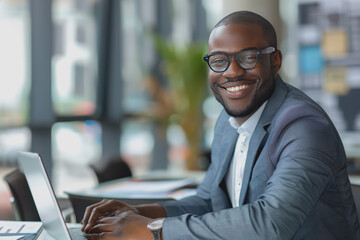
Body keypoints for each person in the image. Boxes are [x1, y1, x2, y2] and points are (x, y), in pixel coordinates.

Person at [81, 11, 360, 240]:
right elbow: (209, 202)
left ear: (275, 61)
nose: (232, 71)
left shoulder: (304, 126)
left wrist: (154, 231)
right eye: (219, 61)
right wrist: (143, 214)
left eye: (248, 57)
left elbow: (271, 222)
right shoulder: (229, 123)